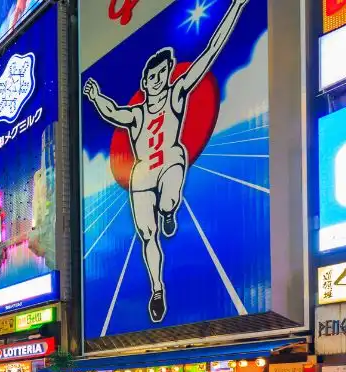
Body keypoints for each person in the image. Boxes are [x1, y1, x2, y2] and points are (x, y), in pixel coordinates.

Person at [82, 0, 250, 323]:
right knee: (148, 234)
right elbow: (111, 111)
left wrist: (236, 7)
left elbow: (212, 51)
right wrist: (94, 96)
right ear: (145, 83)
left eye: (163, 73)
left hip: (170, 158)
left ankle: (169, 210)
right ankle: (157, 290)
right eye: (153, 76)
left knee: (173, 171)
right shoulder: (136, 114)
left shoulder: (177, 95)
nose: (159, 79)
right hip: (143, 173)